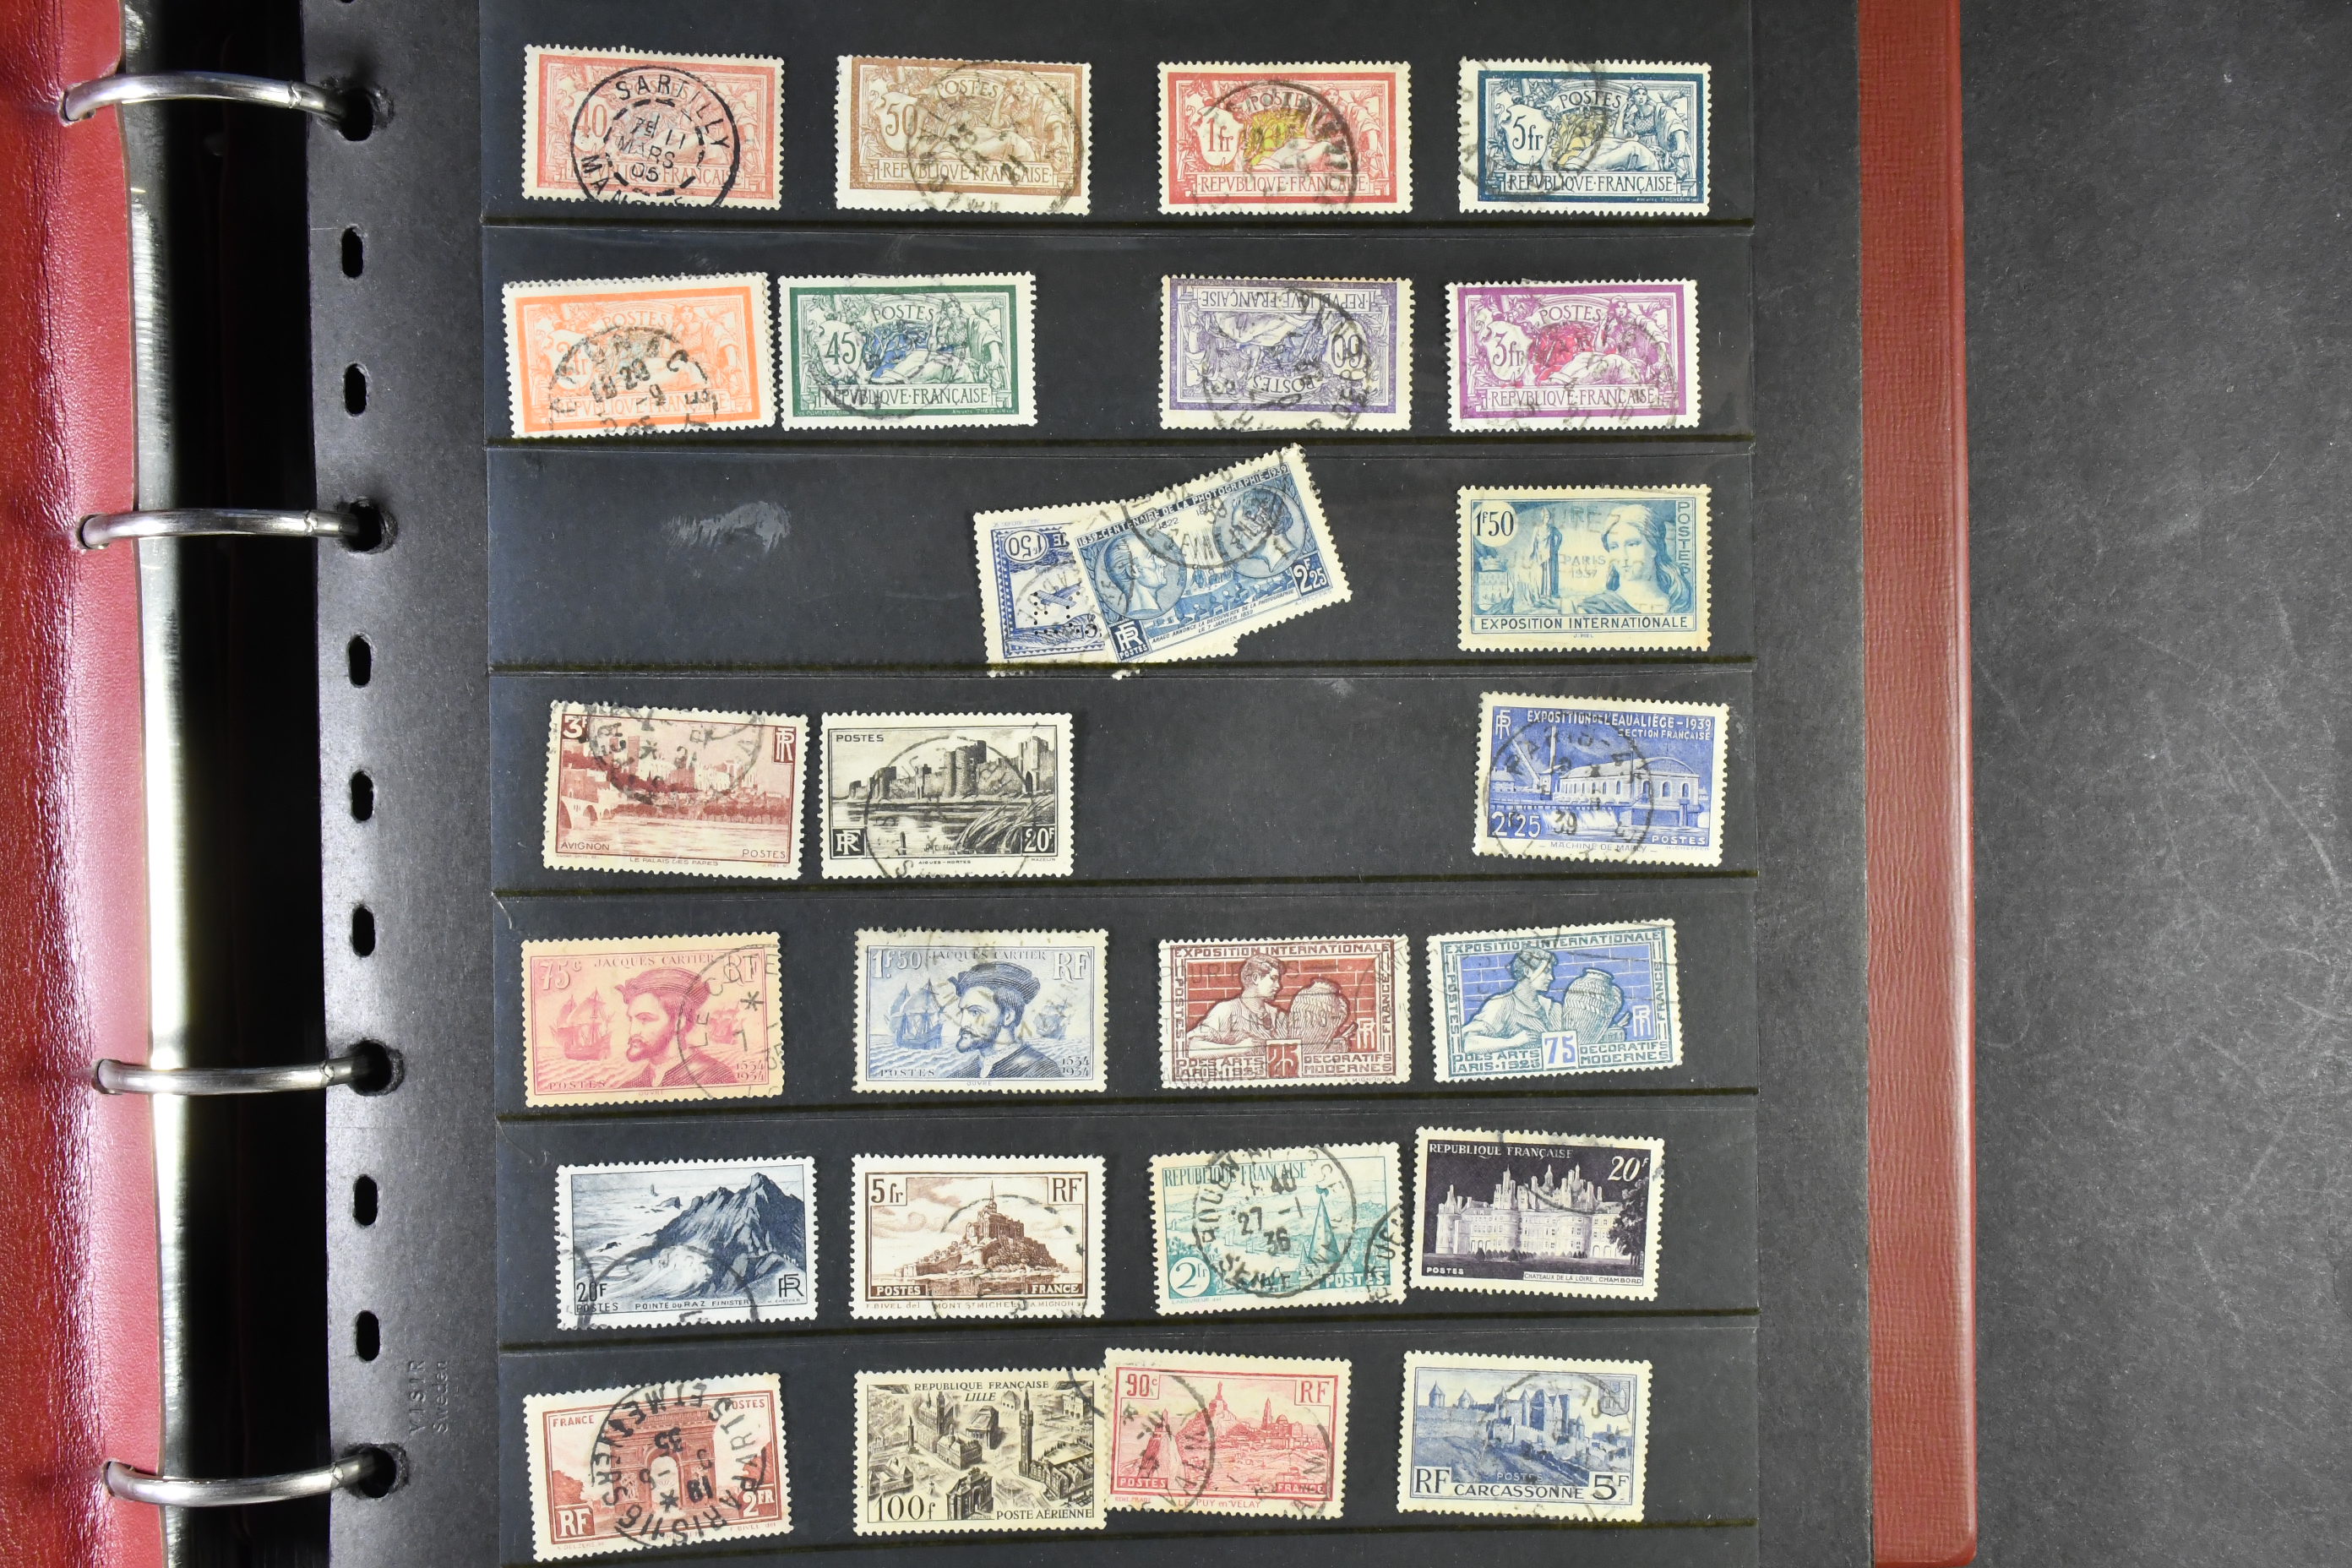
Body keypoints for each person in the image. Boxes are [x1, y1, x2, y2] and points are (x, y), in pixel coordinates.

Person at [938, 961, 1066, 1079]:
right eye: (963, 1012)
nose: (963, 1023)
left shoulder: (1043, 1072)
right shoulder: (959, 1077)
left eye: (975, 1012)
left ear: (1007, 1017)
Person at [618, 966, 738, 1088]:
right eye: (631, 1020)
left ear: (679, 1022)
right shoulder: (628, 1088)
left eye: (645, 1019)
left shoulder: (716, 1078)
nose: (632, 1031)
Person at [1576, 504, 1693, 617]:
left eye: (1632, 544)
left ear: (1655, 547)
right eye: (1614, 547)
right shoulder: (1593, 609)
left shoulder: (1680, 605)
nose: (1623, 557)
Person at [1459, 948, 1565, 1054]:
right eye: (1546, 971)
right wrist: (1512, 1042)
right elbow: (1469, 1044)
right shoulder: (1501, 1004)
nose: (1551, 978)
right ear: (1527, 972)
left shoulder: (1555, 1008)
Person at [1188, 954, 1288, 1049]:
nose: (1278, 986)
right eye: (1273, 979)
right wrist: (1238, 1049)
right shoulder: (1226, 1010)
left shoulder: (1280, 1016)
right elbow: (1194, 1046)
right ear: (1255, 978)